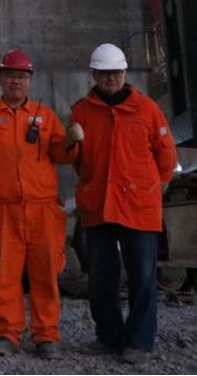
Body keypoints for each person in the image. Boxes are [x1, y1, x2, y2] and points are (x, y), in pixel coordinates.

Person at [0, 49, 80, 359]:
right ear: (1, 79)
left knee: (45, 274)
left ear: (30, 81)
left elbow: (60, 155)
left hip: (43, 208)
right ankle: (6, 333)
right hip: (3, 209)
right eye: (11, 75)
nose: (16, 81)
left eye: (22, 76)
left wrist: (70, 142)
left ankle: (47, 336)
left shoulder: (46, 116)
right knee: (5, 274)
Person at [69, 43, 177, 365]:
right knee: (102, 275)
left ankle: (140, 342)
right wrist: (70, 144)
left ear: (125, 73)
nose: (111, 78)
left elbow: (166, 156)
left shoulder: (146, 109)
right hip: (99, 206)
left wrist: (148, 188)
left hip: (138, 208)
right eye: (104, 73)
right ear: (94, 75)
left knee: (142, 275)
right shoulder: (81, 112)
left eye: (115, 72)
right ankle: (109, 336)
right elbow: (73, 159)